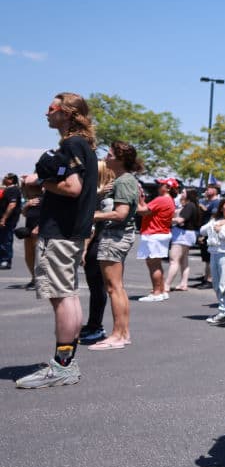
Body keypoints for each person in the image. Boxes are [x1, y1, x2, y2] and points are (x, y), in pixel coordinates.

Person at [16, 92, 98, 389]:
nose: (46, 113)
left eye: (51, 108)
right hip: (70, 231)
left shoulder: (72, 144)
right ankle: (66, 362)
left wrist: (36, 182)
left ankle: (63, 366)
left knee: (62, 296)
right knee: (68, 295)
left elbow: (72, 187)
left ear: (67, 113)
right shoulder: (83, 145)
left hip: (61, 232)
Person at [88, 142, 141, 351]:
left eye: (109, 155)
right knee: (116, 287)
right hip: (115, 236)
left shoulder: (125, 181)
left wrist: (91, 216)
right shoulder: (122, 180)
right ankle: (122, 333)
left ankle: (118, 334)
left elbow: (120, 214)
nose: (105, 158)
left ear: (120, 159)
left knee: (114, 287)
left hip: (115, 237)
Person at [79, 161, 114, 344]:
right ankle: (93, 324)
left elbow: (92, 225)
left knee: (98, 287)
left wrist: (84, 248)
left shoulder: (103, 196)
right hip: (99, 241)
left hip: (98, 242)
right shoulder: (100, 194)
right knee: (97, 288)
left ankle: (96, 326)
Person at [200, 198, 225, 325]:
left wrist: (220, 230)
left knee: (224, 283)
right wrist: (214, 225)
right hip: (214, 253)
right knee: (216, 283)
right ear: (222, 207)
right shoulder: (215, 220)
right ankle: (223, 310)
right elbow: (202, 230)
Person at [136, 179, 176, 302]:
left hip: (154, 234)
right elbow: (146, 209)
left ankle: (156, 292)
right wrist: (141, 199)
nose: (158, 186)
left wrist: (136, 198)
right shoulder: (168, 200)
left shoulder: (162, 199)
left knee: (153, 265)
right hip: (159, 233)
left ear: (168, 188)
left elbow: (141, 211)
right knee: (156, 264)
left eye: (161, 184)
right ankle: (161, 290)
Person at [166, 187, 201, 291]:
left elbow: (180, 219)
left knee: (174, 260)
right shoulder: (192, 205)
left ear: (189, 194)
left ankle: (166, 284)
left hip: (182, 235)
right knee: (183, 260)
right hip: (188, 235)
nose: (181, 193)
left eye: (183, 192)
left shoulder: (189, 206)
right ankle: (183, 283)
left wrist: (166, 220)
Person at [0, 172, 22, 269]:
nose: (3, 179)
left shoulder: (13, 190)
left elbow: (12, 205)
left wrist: (4, 218)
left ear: (11, 180)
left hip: (8, 220)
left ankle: (6, 261)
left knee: (6, 240)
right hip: (4, 219)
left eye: (5, 178)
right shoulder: (7, 189)